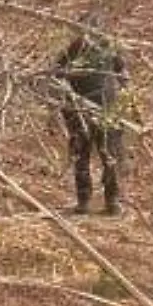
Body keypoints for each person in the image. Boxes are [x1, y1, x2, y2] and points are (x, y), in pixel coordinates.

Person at [53, 12, 130, 216]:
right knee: (89, 155)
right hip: (84, 112)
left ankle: (109, 201)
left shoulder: (107, 50)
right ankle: (90, 201)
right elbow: (56, 77)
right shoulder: (74, 51)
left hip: (101, 110)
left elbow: (124, 77)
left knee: (106, 156)